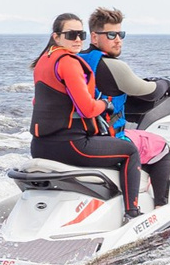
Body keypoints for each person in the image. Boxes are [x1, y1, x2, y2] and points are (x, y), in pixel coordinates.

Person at [30, 12, 147, 219]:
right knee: (130, 151)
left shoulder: (43, 61)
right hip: (70, 145)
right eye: (71, 35)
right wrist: (106, 104)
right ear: (56, 37)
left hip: (39, 146)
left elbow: (38, 103)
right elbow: (87, 109)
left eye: (80, 34)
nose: (77, 40)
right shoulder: (68, 62)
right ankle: (132, 212)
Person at [82, 7, 170, 208]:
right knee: (161, 147)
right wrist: (166, 83)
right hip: (109, 139)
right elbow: (151, 92)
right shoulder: (113, 66)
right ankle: (161, 208)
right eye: (111, 35)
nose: (118, 40)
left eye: (121, 34)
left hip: (83, 136)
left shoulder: (77, 60)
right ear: (94, 37)